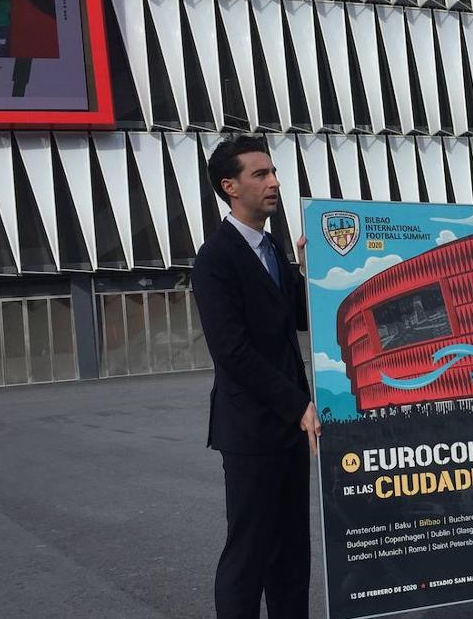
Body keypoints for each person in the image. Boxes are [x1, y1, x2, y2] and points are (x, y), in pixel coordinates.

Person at [190, 134, 320, 618]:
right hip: (251, 430)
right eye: (260, 174)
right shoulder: (216, 259)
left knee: (291, 554)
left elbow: (301, 318)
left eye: (273, 172)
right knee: (248, 553)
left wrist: (311, 268)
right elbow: (233, 353)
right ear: (230, 186)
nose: (273, 182)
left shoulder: (273, 249)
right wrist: (298, 405)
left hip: (291, 428)